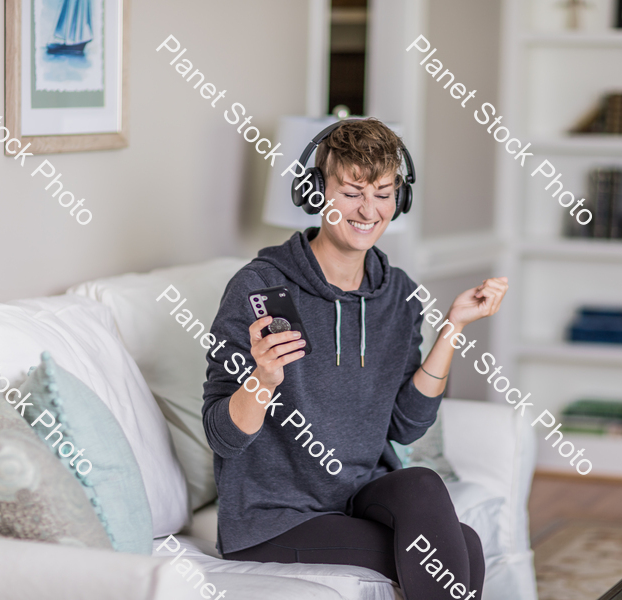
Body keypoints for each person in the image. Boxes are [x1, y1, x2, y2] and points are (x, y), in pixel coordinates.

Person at [202, 118, 508, 600]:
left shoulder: (399, 293)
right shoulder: (259, 286)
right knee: (460, 548)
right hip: (274, 517)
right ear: (315, 192)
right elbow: (222, 436)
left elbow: (407, 427)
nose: (369, 210)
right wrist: (262, 377)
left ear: (399, 200)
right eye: (351, 192)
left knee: (423, 486)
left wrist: (454, 328)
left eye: (384, 193)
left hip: (358, 498)